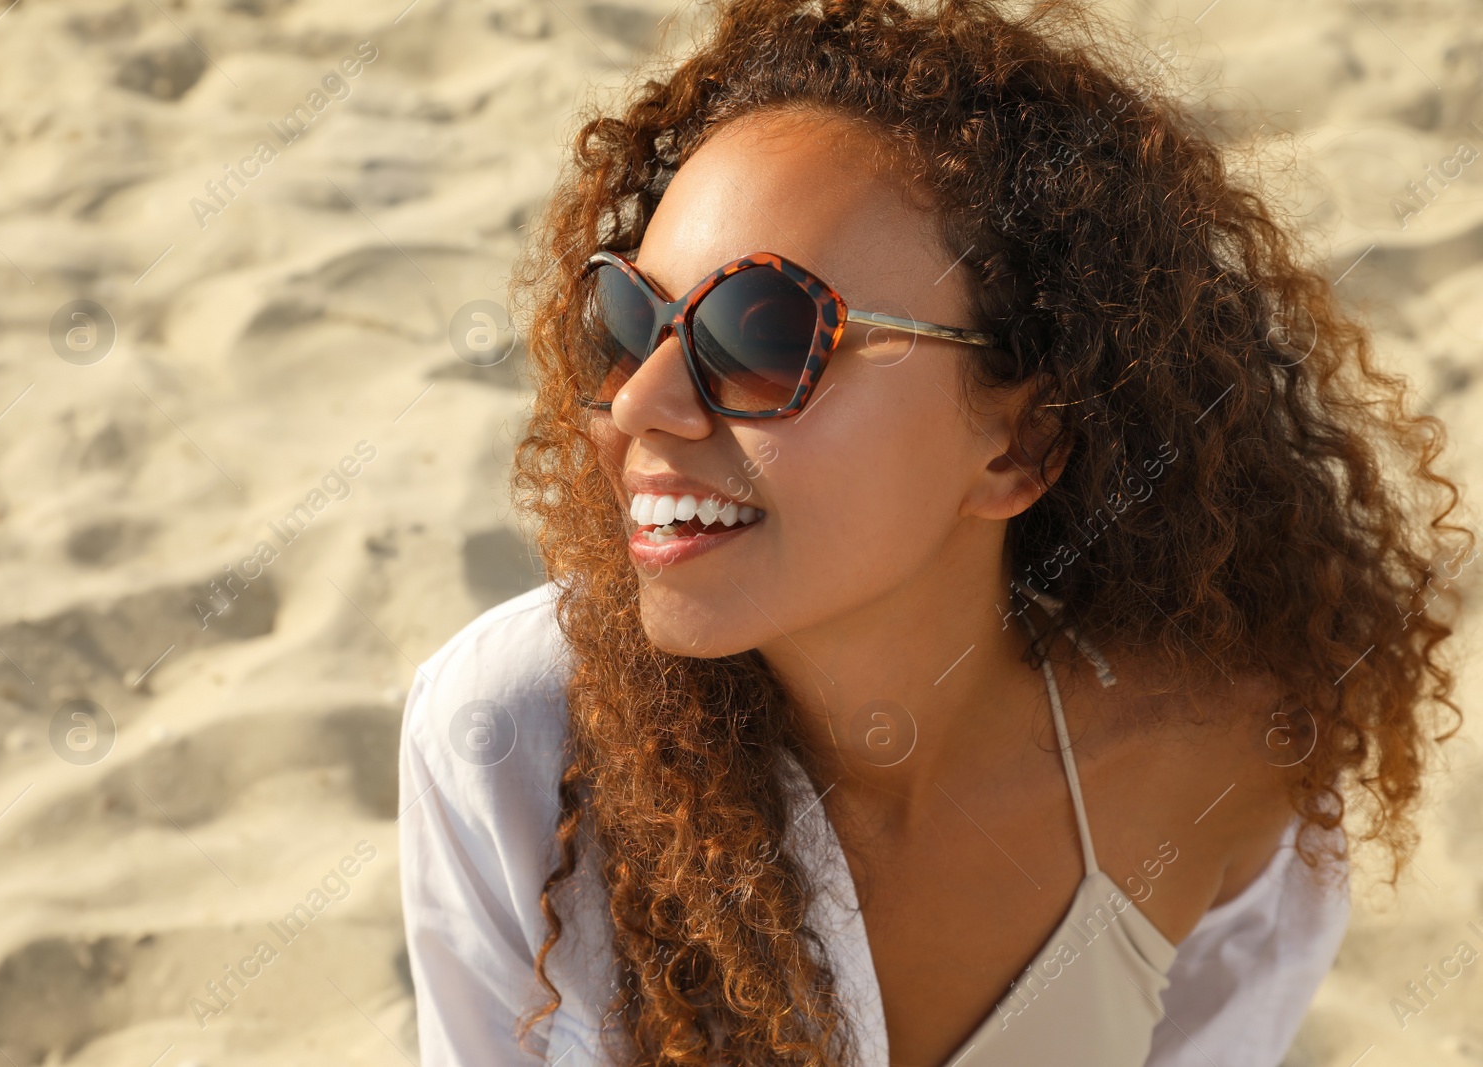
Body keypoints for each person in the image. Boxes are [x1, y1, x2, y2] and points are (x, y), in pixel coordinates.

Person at [398, 1, 1469, 1064]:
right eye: (631, 321)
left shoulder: (1221, 766)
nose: (639, 404)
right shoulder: (518, 744)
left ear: (1019, 445)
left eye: (762, 332)